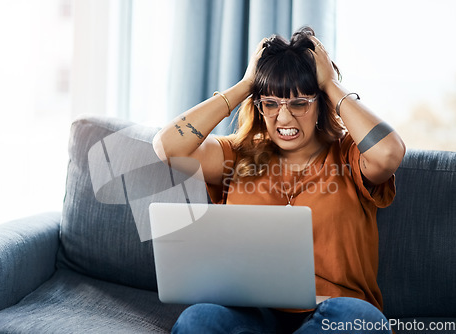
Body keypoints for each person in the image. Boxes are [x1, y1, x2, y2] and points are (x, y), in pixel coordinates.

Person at [152, 26, 405, 334]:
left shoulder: (350, 156)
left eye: (299, 103)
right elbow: (166, 147)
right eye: (270, 103)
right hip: (251, 311)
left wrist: (332, 85)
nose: (284, 119)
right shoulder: (236, 155)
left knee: (359, 320)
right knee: (199, 319)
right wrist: (246, 85)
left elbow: (389, 153)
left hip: (334, 311)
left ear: (320, 104)